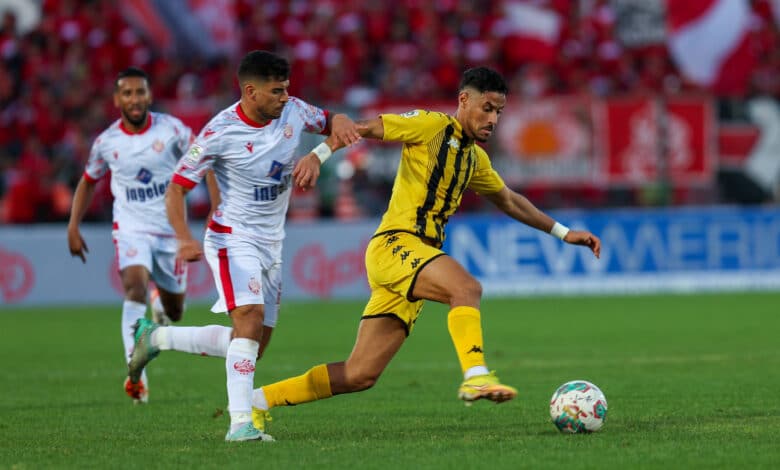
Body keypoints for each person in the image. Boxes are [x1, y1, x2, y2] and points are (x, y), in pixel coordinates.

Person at [247, 67, 602, 435]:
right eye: (487, 108)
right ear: (464, 100)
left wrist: (563, 232)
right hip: (395, 244)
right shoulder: (430, 126)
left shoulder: (474, 159)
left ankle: (256, 401)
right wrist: (318, 155)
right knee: (465, 289)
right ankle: (477, 375)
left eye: (499, 112)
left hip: (415, 261)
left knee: (359, 374)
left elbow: (510, 200)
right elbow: (363, 127)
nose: (493, 119)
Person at [131, 50, 360, 442]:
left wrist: (318, 155)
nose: (284, 97)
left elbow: (338, 122)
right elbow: (176, 189)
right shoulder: (219, 131)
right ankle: (241, 425)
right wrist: (184, 238)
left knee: (252, 343)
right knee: (249, 320)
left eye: (287, 89)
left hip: (273, 242)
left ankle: (155, 338)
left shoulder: (294, 111)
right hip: (231, 237)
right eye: (276, 91)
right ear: (250, 92)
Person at [67, 67, 218, 404]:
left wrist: (215, 204)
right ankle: (136, 373)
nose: (134, 100)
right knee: (134, 285)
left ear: (149, 96)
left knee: (175, 312)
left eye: (140, 93)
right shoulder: (107, 142)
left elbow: (205, 160)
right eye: (127, 93)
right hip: (130, 228)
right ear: (117, 99)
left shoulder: (173, 129)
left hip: (170, 231)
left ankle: (159, 305)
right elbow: (88, 181)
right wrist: (73, 225)